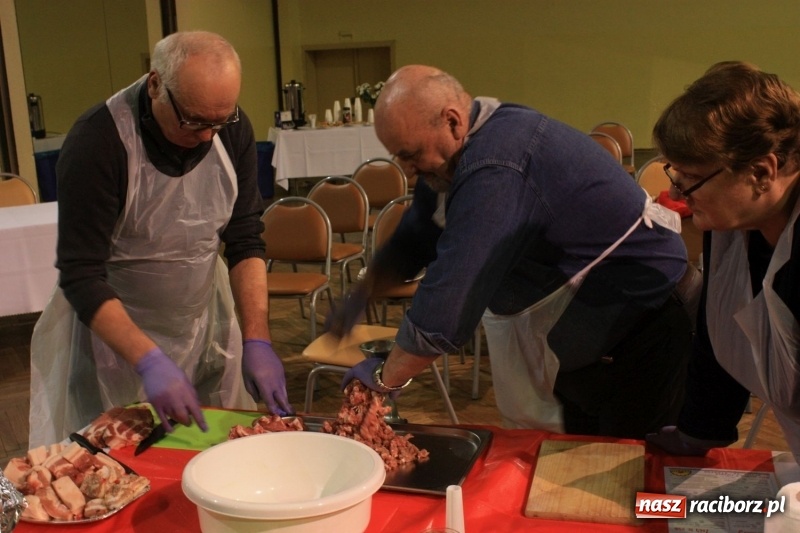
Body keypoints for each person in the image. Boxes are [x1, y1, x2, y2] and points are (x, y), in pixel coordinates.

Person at [330, 65, 698, 439]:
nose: (408, 171)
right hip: (583, 344)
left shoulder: (499, 164)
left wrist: (385, 378)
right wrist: (363, 294)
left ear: (453, 122)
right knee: (576, 450)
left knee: (629, 461)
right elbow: (415, 238)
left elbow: (450, 301)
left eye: (411, 154)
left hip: (644, 328)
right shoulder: (449, 161)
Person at [28, 31, 292, 448]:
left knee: (211, 453)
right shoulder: (98, 140)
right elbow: (81, 275)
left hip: (202, 320)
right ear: (156, 85)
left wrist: (257, 337)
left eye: (219, 122)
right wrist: (149, 360)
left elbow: (245, 239)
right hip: (112, 335)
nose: (207, 137)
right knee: (115, 458)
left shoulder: (229, 127)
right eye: (194, 121)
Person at [645, 61, 800, 462]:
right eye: (676, 174)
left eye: (690, 179)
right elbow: (719, 330)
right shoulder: (734, 223)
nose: (677, 195)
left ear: (761, 172)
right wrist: (699, 431)